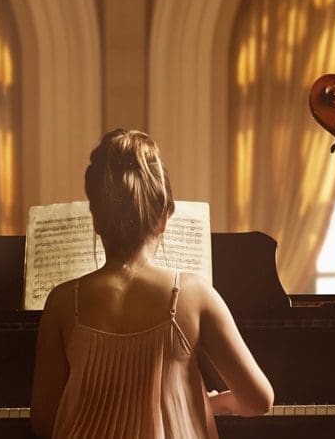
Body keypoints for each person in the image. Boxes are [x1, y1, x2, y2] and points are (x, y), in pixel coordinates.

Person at [30, 129, 274, 439]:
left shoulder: (63, 302)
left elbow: (43, 421)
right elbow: (259, 400)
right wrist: (212, 403)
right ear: (163, 218)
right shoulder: (195, 294)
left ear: (96, 219)